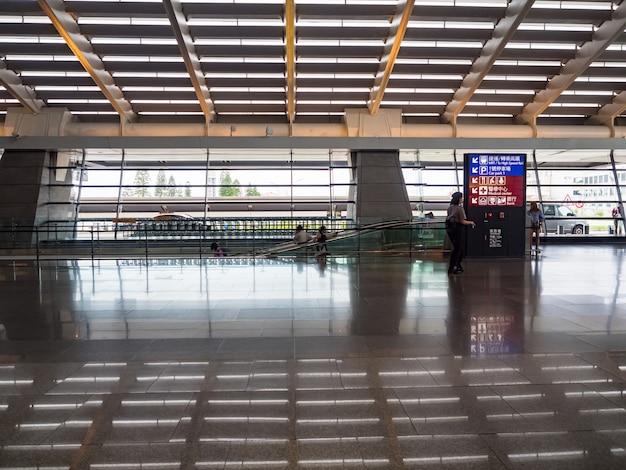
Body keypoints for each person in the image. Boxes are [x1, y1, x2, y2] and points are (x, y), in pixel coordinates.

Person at [445, 192, 475, 274]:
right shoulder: (459, 209)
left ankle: (457, 265)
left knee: (456, 248)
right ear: (459, 199)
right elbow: (462, 221)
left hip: (450, 229)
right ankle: (453, 266)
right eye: (461, 198)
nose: (462, 199)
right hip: (457, 229)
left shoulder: (450, 208)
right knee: (458, 249)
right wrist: (471, 222)